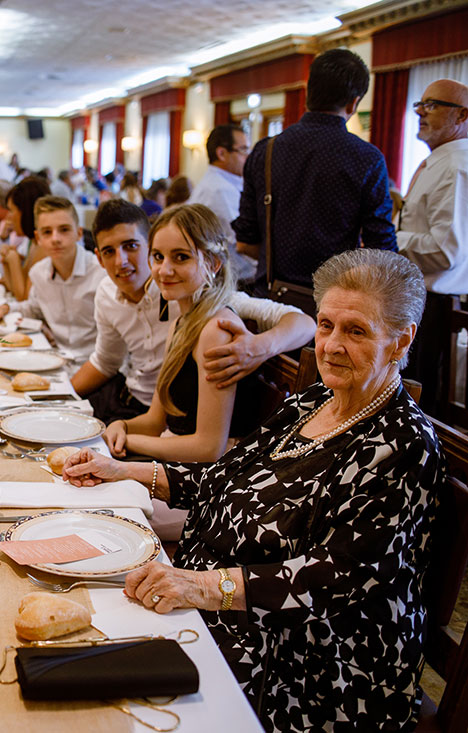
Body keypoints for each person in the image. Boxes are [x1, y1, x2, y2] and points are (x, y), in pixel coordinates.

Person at [63, 248, 440, 731]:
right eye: (325, 325)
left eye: (357, 330)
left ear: (400, 339)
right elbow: (226, 478)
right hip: (224, 607)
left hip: (308, 660)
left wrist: (199, 586)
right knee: (79, 620)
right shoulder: (312, 401)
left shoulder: (404, 445)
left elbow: (332, 579)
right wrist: (121, 470)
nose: (331, 345)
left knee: (99, 695)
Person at [71, 200, 314, 426]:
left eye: (131, 246)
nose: (121, 261)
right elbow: (105, 361)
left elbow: (304, 322)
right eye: (108, 251)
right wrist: (59, 396)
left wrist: (259, 347)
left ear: (147, 247)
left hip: (176, 419)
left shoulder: (191, 290)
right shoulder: (107, 292)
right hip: (133, 403)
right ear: (99, 259)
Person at [102, 203, 262, 463]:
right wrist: (121, 426)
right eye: (157, 257)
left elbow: (209, 447)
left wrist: (130, 441)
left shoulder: (216, 330)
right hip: (177, 454)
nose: (164, 270)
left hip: (213, 474)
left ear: (213, 263)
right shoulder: (182, 322)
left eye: (181, 257)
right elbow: (155, 420)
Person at [233, 48, 396, 299]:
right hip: (334, 304)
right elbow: (381, 250)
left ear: (308, 91)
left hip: (270, 301)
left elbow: (245, 240)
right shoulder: (367, 158)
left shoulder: (266, 151)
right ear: (353, 103)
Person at [397, 78, 468, 413]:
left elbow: (445, 251)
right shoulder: (438, 162)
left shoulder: (456, 166)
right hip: (421, 300)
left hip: (436, 306)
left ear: (462, 116)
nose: (421, 112)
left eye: (433, 105)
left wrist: (389, 238)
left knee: (422, 407)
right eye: (420, 104)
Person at [0, 196, 102, 366]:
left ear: (79, 233)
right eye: (47, 232)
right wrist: (7, 307)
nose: (55, 239)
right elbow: (34, 307)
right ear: (38, 237)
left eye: (64, 230)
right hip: (56, 361)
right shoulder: (39, 273)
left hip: (94, 367)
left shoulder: (100, 274)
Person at [188, 124, 256, 284]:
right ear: (221, 153)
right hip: (232, 280)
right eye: (243, 150)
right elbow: (242, 241)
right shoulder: (219, 189)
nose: (248, 157)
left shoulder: (224, 184)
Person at [0, 176, 52, 301]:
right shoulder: (32, 242)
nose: (8, 217)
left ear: (26, 212)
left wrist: (13, 260)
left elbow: (24, 299)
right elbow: (13, 288)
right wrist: (6, 261)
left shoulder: (43, 247)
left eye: (12, 211)